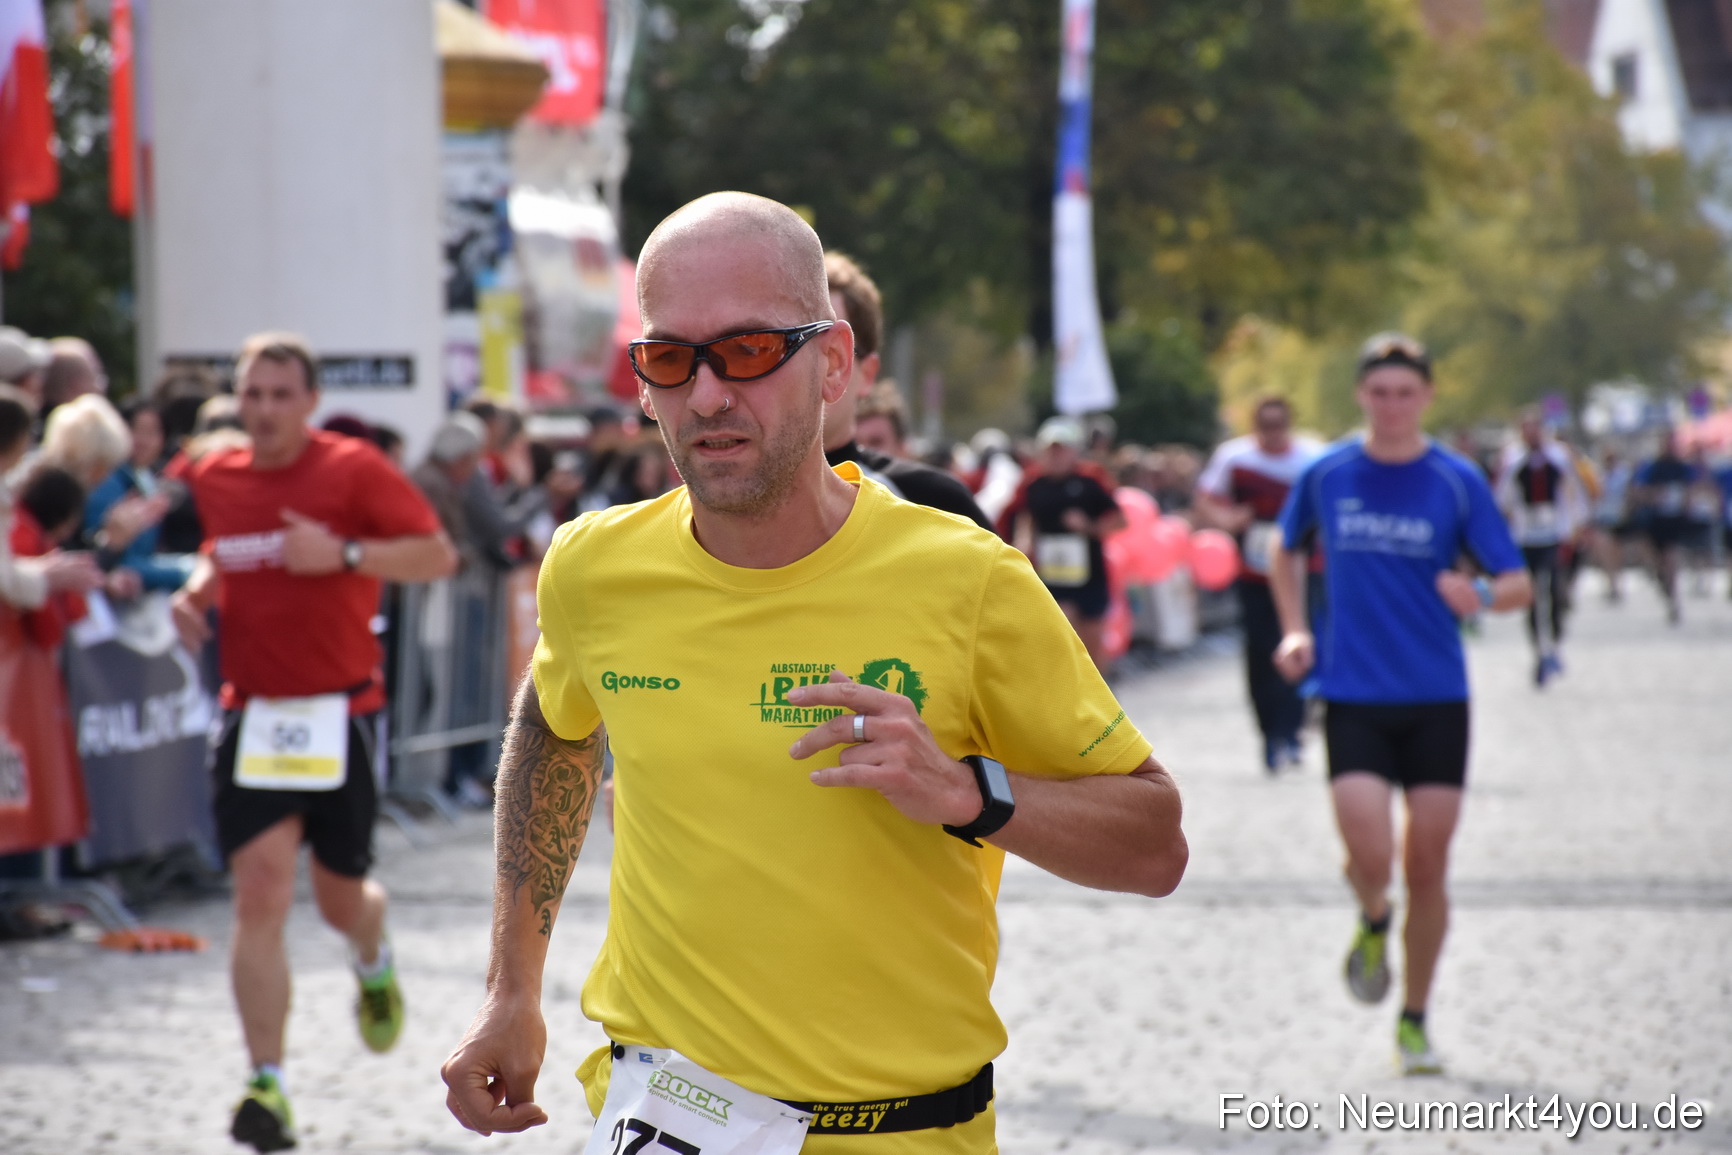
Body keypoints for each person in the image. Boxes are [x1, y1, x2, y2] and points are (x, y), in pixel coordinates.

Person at [441, 192, 1186, 1154]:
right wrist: (512, 988)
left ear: (833, 364)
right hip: (665, 1111)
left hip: (904, 1129)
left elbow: (1155, 843)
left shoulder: (966, 579)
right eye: (671, 358)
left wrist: (967, 791)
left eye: (749, 351)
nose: (708, 394)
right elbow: (554, 732)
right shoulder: (593, 566)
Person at [169, 331, 456, 1153]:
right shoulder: (217, 475)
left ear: (309, 400)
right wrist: (197, 590)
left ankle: (372, 949)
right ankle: (270, 1081)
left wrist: (345, 553)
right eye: (251, 394)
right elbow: (224, 552)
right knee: (258, 891)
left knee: (338, 901)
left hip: (341, 713)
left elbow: (437, 555)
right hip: (255, 714)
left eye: (279, 394)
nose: (263, 410)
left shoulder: (352, 470)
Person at [1269, 332, 1530, 1077]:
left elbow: (1515, 581)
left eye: (1404, 393)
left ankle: (1414, 1019)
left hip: (1437, 696)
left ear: (1427, 397)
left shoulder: (1455, 480)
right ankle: (1373, 918)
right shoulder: (1328, 474)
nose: (1390, 406)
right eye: (1378, 392)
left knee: (1428, 863)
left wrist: (1476, 592)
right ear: (1362, 395)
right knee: (1372, 855)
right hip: (1351, 691)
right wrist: (1294, 626)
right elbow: (1282, 549)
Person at [1194, 396, 1323, 771]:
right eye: (1264, 425)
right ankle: (1269, 734)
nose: (1272, 433)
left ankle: (1293, 729)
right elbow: (1204, 500)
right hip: (1253, 570)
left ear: (1289, 423)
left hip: (1303, 567)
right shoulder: (1235, 459)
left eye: (1278, 424)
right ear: (1254, 426)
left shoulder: (1311, 458)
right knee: (1261, 651)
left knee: (1302, 645)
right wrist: (1229, 518)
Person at [821, 252, 991, 530]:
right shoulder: (729, 498)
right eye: (789, 344)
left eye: (832, 350)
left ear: (868, 373)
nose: (809, 364)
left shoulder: (937, 503)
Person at [1012, 417, 1126, 673]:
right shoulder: (1032, 484)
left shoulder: (1090, 480)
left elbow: (1120, 521)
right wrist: (1023, 541)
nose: (1056, 455)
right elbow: (1021, 517)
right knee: (1064, 630)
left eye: (1062, 449)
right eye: (1051, 449)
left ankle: (1102, 698)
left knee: (1093, 639)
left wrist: (1087, 526)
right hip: (1053, 574)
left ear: (1074, 451)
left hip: (1089, 574)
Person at [1493, 409, 1586, 686]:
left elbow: (1575, 492)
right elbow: (1502, 496)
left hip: (1555, 532)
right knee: (1531, 595)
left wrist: (1575, 526)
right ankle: (1539, 651)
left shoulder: (1559, 456)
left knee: (1556, 590)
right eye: (1526, 428)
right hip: (1525, 535)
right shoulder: (1512, 458)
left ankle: (1555, 641)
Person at [1631, 429, 1700, 625]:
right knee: (1654, 559)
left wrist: (1688, 503)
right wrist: (1654, 494)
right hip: (1654, 520)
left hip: (1674, 519)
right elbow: (1638, 491)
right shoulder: (1651, 467)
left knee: (1671, 557)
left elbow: (1694, 489)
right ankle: (1663, 582)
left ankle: (1674, 599)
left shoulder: (1683, 467)